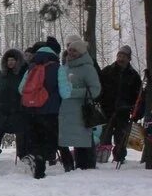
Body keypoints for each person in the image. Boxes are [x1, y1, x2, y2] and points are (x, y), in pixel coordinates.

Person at [18, 37, 71, 179]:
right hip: (51, 111)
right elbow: (65, 93)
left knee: (36, 141)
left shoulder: (31, 67)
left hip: (32, 110)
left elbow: (21, 89)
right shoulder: (57, 68)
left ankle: (39, 165)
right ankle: (69, 166)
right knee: (56, 138)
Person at [58, 36, 101, 170]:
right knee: (73, 140)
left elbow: (95, 90)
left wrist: (72, 93)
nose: (71, 53)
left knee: (83, 139)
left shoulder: (88, 68)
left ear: (81, 52)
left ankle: (87, 165)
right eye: (69, 50)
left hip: (82, 110)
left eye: (74, 51)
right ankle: (75, 165)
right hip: (67, 111)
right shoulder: (66, 67)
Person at [100, 45, 142, 164]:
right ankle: (102, 159)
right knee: (105, 136)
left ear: (129, 59)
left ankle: (119, 158)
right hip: (107, 110)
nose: (120, 58)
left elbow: (137, 96)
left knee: (121, 137)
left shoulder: (134, 76)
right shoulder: (107, 71)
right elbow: (100, 89)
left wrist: (134, 110)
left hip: (124, 111)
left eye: (123, 56)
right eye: (119, 55)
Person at [0, 49, 26, 162]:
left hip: (18, 111)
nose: (10, 62)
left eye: (13, 60)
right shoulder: (2, 76)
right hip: (3, 111)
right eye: (8, 60)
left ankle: (22, 156)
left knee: (21, 136)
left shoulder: (22, 75)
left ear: (17, 61)